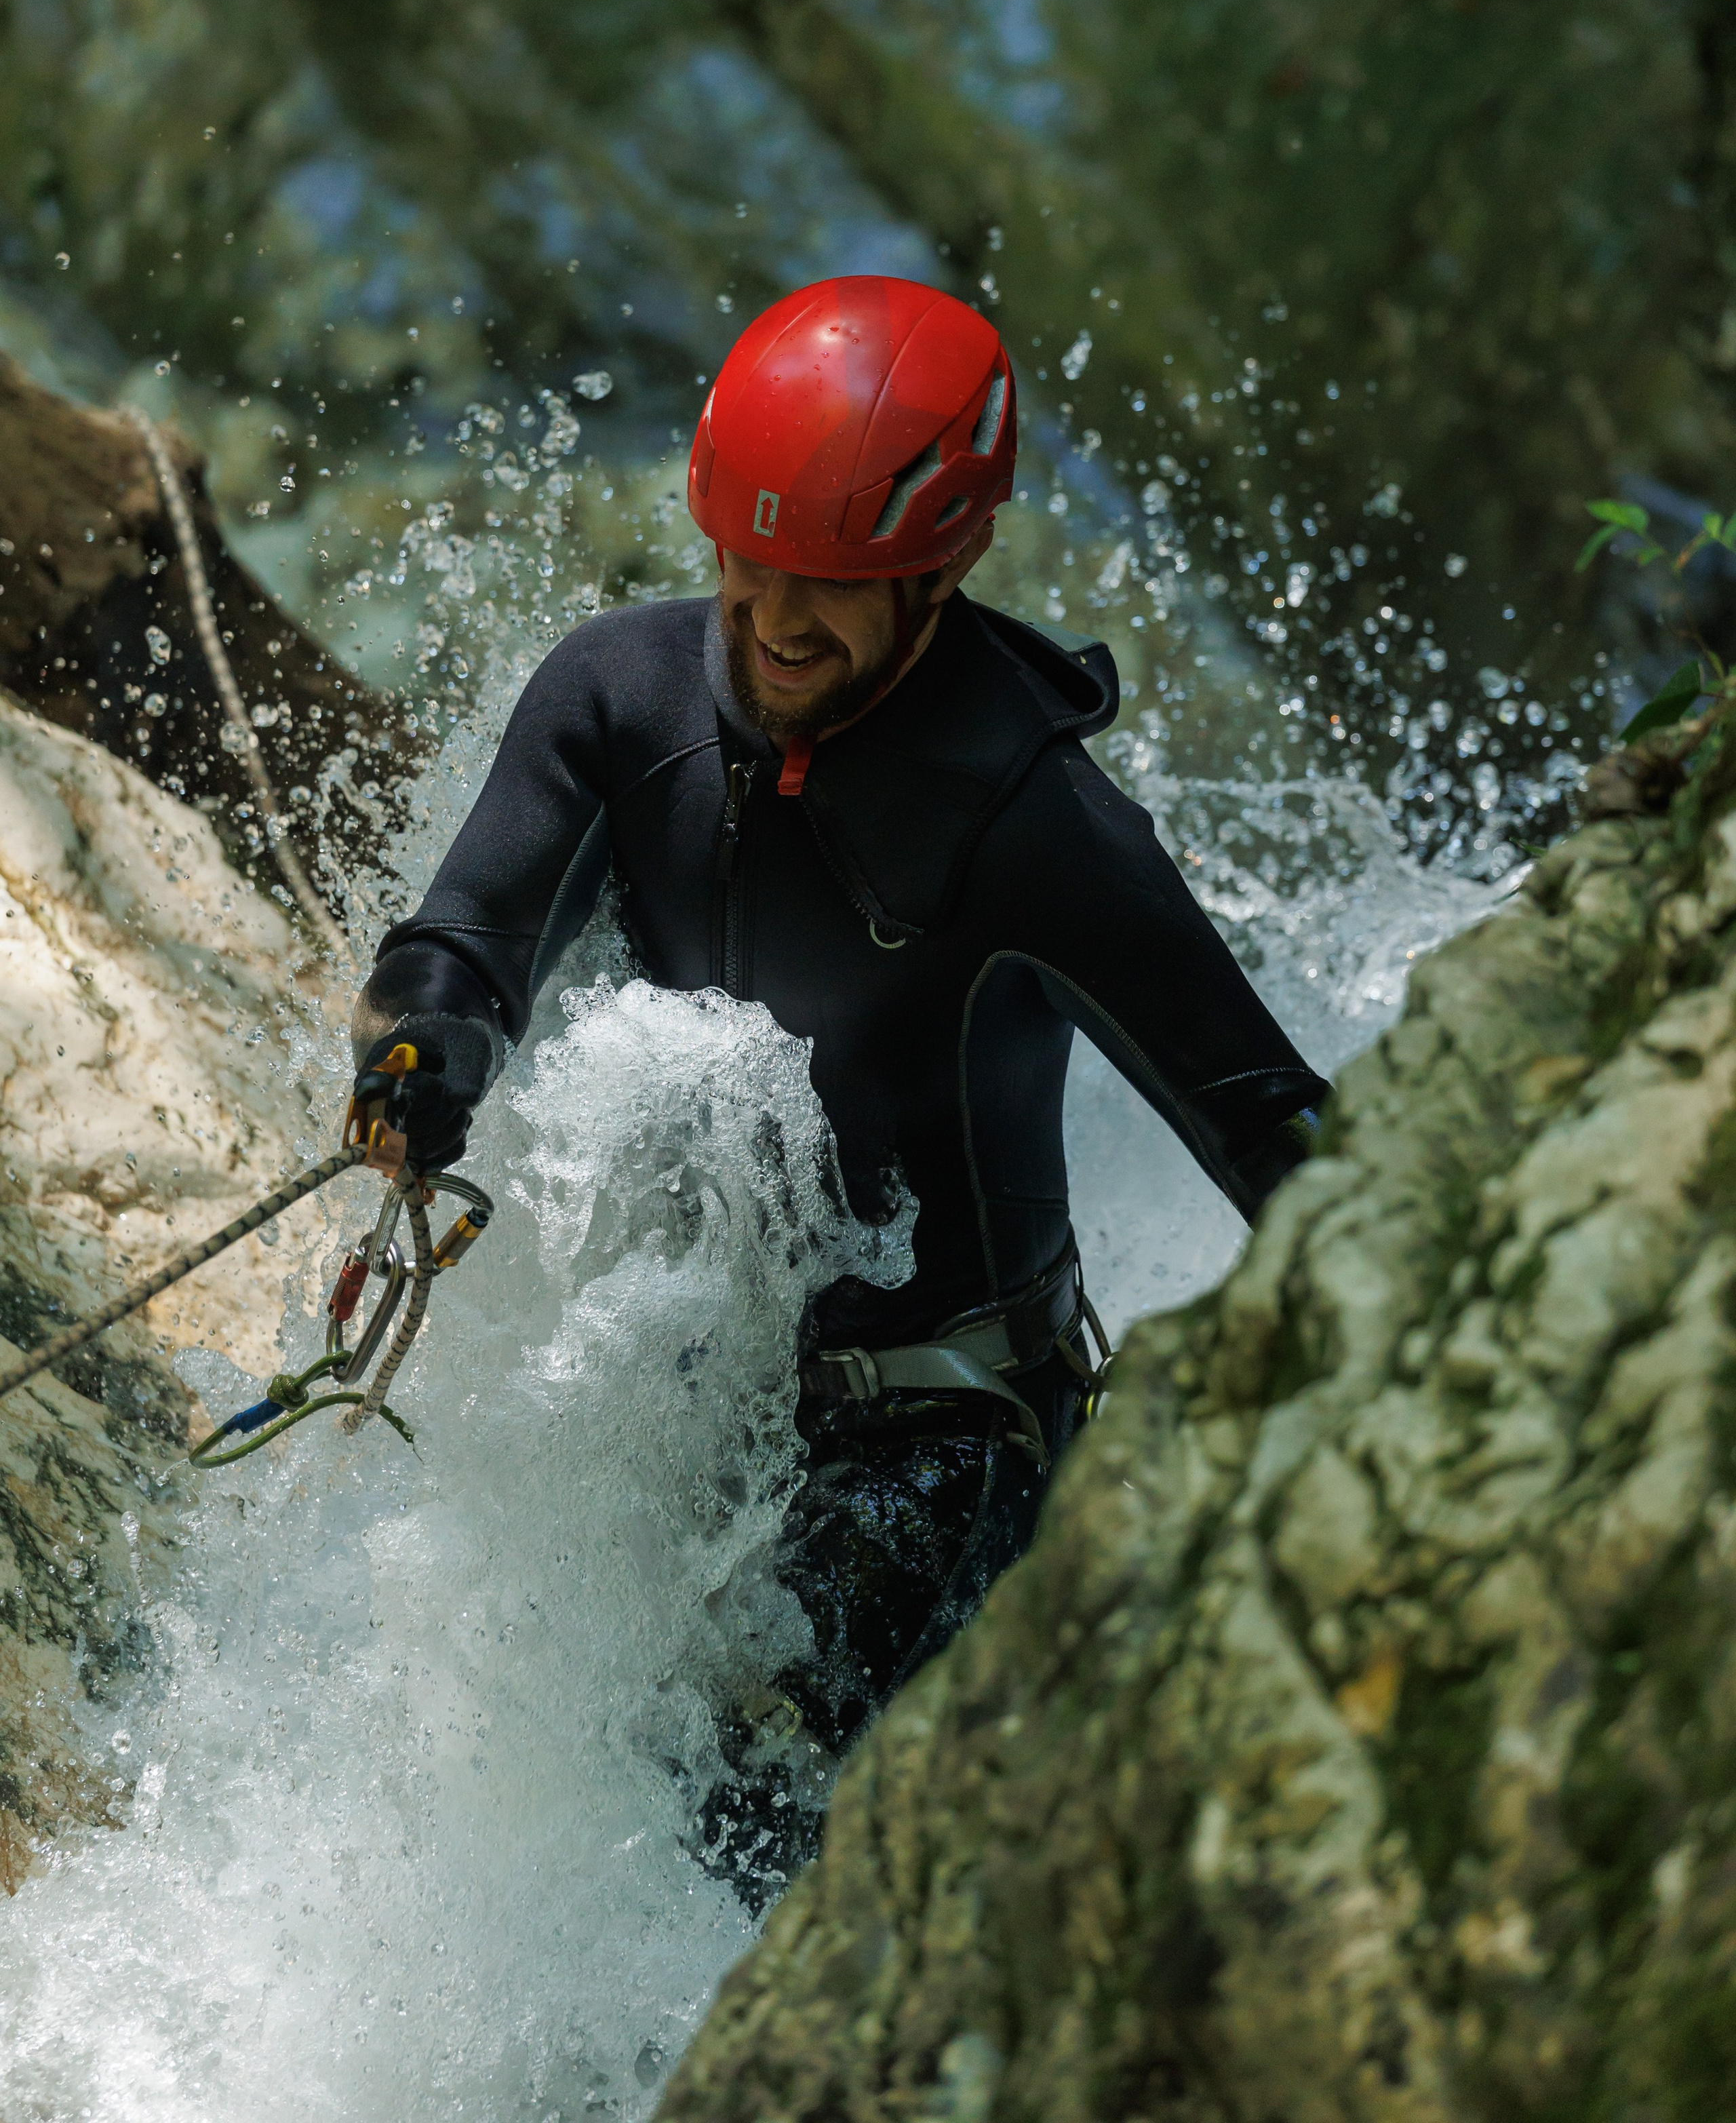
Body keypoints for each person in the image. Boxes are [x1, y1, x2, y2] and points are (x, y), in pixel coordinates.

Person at [353, 274, 1328, 1896]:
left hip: (954, 1432)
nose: (776, 618)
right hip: (695, 1394)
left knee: (735, 1761)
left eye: (834, 582)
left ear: (943, 566)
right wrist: (423, 1045)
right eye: (747, 567)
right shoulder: (618, 702)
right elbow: (464, 937)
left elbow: (1269, 1131)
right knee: (525, 1720)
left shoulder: (1042, 829)